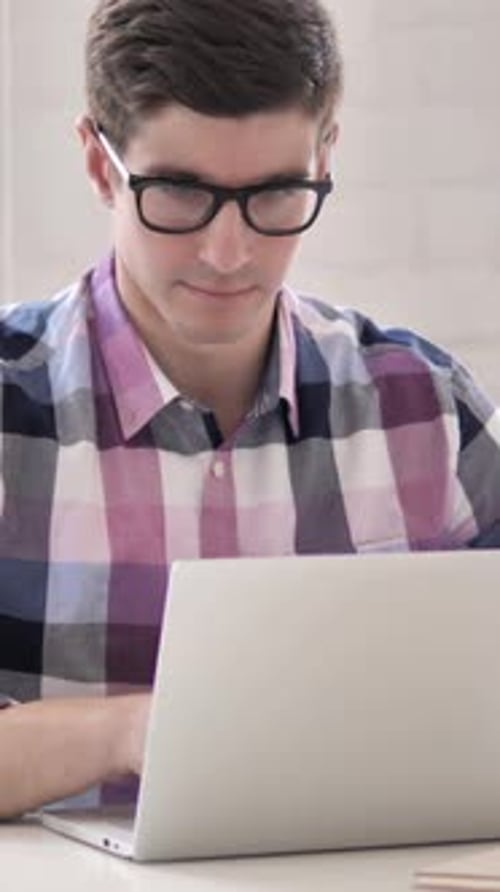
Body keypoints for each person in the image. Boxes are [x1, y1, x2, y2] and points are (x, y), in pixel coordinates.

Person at [1, 0, 500, 821]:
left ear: (325, 157)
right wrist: (132, 732)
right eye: (180, 193)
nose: (228, 254)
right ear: (100, 167)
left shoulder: (426, 412)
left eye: (275, 193)